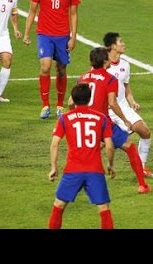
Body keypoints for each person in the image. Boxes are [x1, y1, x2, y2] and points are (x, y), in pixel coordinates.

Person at [71, 47, 151, 194]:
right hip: (102, 123)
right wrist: (125, 120)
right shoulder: (110, 79)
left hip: (85, 121)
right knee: (130, 147)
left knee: (86, 152)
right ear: (105, 62)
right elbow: (113, 104)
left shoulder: (82, 77)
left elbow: (71, 102)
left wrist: (74, 117)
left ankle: (75, 182)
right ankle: (142, 185)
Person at [48, 83, 115, 229]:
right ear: (90, 99)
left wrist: (54, 167)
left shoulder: (65, 118)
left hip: (72, 170)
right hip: (95, 170)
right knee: (104, 208)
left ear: (73, 98)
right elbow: (109, 145)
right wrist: (110, 164)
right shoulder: (101, 118)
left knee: (58, 205)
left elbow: (54, 143)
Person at [23, 0, 81, 119]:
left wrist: (73, 37)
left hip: (63, 36)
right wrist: (27, 33)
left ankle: (60, 105)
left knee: (61, 69)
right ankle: (45, 105)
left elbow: (74, 14)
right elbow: (32, 11)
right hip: (45, 34)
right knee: (45, 67)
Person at [104, 32, 153, 178]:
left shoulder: (125, 64)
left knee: (145, 132)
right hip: (106, 110)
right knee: (102, 143)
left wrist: (132, 101)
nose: (124, 44)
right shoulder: (103, 63)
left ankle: (142, 167)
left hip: (122, 107)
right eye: (121, 42)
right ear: (113, 46)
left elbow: (126, 87)